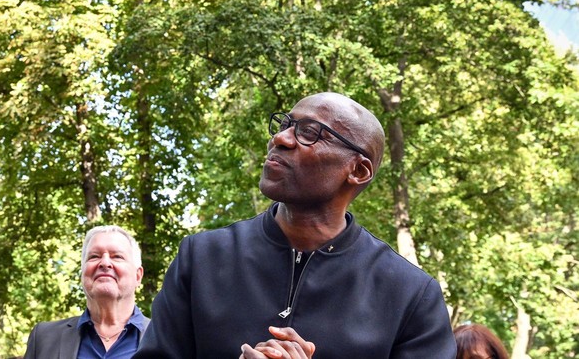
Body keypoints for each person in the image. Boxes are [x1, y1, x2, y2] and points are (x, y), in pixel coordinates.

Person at [134, 92, 457, 359]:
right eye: (285, 124)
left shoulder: (410, 294)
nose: (281, 138)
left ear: (358, 170)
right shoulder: (201, 259)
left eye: (309, 132)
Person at [24, 225, 149, 358]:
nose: (105, 263)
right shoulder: (44, 338)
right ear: (82, 273)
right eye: (94, 256)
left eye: (117, 256)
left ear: (138, 276)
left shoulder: (168, 338)